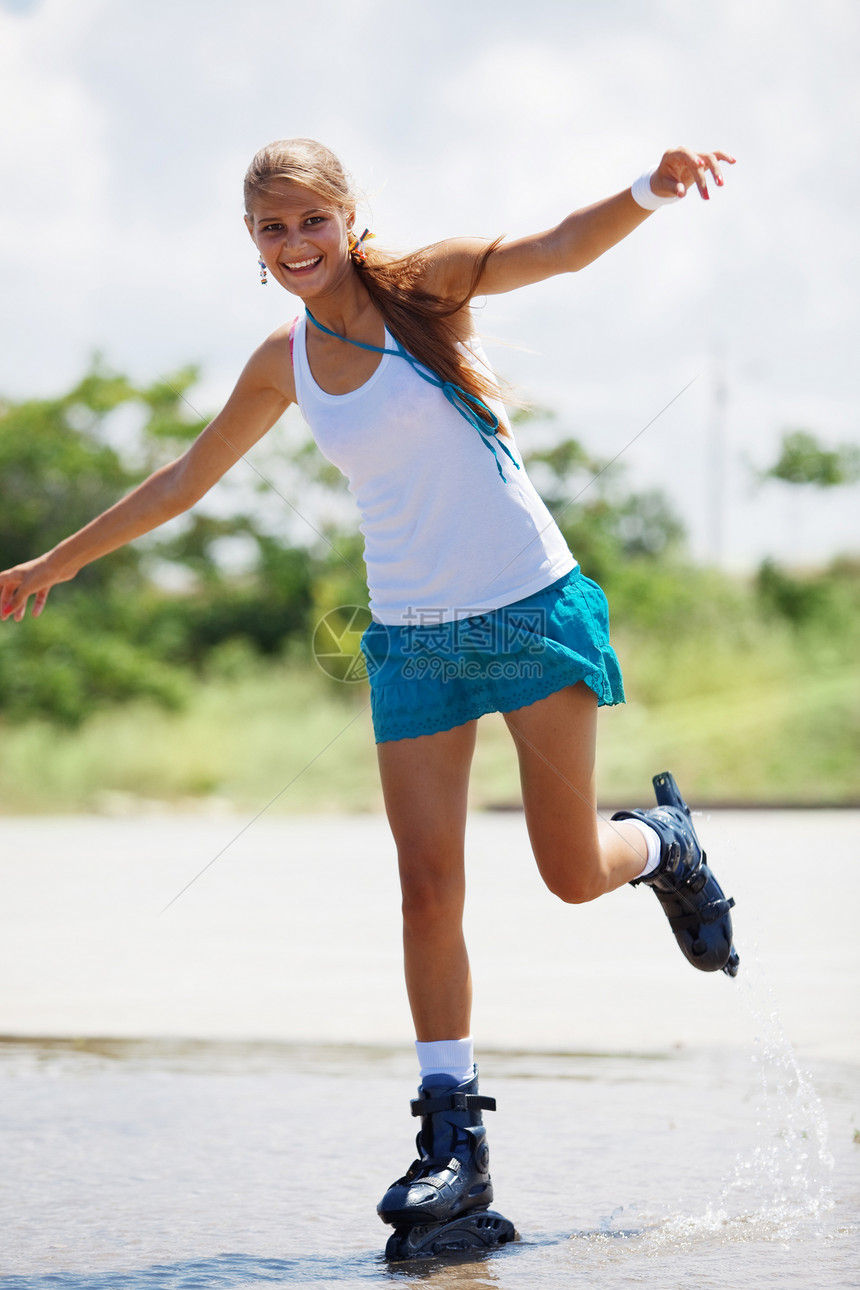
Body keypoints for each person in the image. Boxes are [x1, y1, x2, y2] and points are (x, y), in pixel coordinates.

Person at [0, 138, 739, 1254]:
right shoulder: (279, 361)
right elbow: (184, 479)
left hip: (530, 611)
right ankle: (454, 1145)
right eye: (270, 229)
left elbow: (559, 249)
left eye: (309, 221)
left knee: (567, 873)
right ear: (251, 247)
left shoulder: (426, 289)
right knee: (424, 888)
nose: (293, 244)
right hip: (411, 643)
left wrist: (649, 187)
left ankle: (661, 840)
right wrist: (54, 562)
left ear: (347, 217)